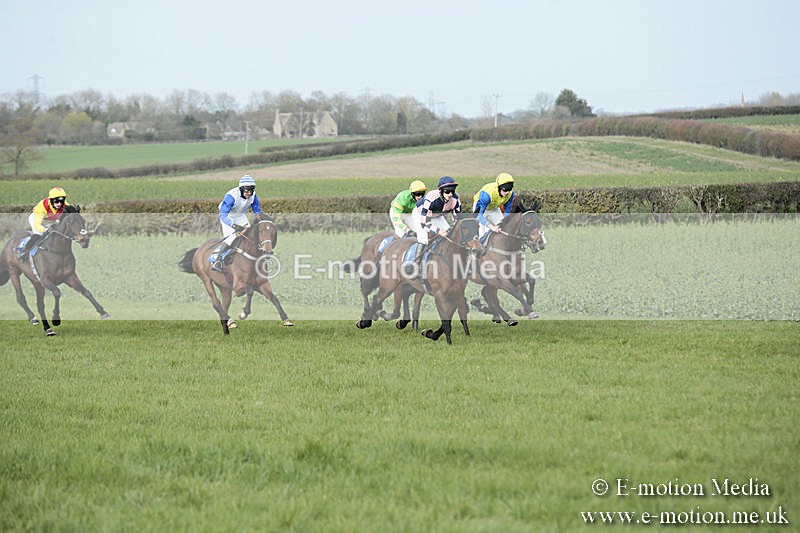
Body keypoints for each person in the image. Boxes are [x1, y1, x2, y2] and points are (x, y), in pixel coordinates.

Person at [405, 176, 462, 273]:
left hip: (437, 215)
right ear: (440, 191)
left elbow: (458, 219)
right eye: (447, 192)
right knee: (424, 239)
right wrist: (438, 230)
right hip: (421, 215)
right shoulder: (430, 199)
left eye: (452, 191)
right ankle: (416, 264)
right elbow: (424, 224)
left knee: (450, 235)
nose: (450, 194)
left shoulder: (456, 200)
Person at [211, 175, 267, 272]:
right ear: (241, 189)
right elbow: (223, 215)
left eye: (251, 190)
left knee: (250, 233)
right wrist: (233, 225)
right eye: (246, 191)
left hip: (239, 215)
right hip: (228, 216)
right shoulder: (231, 196)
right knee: (231, 238)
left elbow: (257, 209)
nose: (249, 193)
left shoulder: (253, 195)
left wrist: (259, 217)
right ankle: (218, 260)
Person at [18, 186, 72, 261]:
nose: (59, 204)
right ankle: (23, 252)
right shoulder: (43, 206)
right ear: (51, 200)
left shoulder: (64, 204)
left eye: (61, 201)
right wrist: (45, 229)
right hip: (36, 219)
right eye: (56, 201)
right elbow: (37, 225)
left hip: (50, 220)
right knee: (38, 235)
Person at [472, 172, 516, 238]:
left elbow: (507, 211)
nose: (507, 192)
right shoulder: (486, 195)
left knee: (504, 228)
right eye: (505, 190)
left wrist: (506, 223)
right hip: (480, 209)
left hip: (493, 208)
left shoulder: (510, 194)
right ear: (499, 188)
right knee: (481, 232)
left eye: (509, 190)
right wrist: (492, 227)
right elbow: (478, 215)